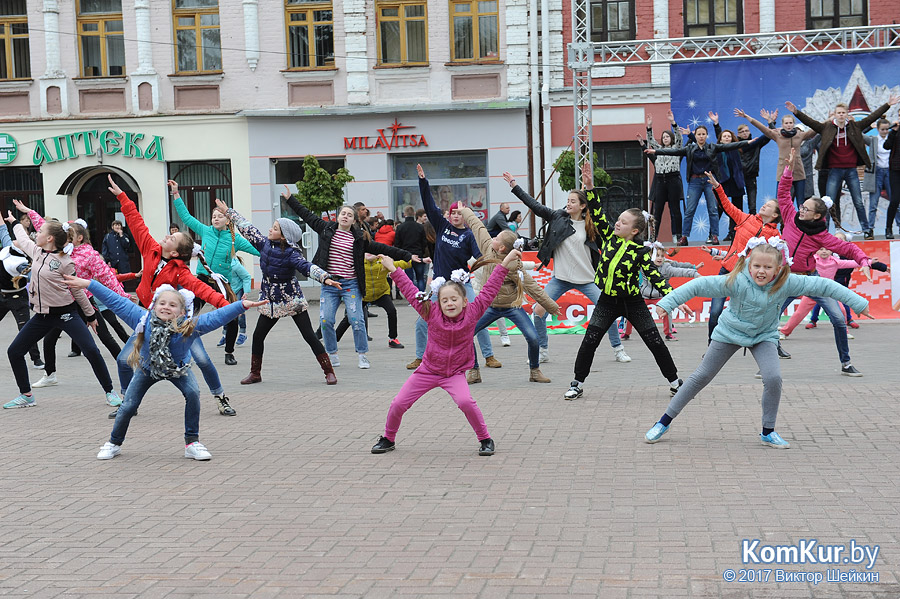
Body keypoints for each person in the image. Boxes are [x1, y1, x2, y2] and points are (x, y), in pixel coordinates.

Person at [644, 238, 869, 449]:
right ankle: (663, 422)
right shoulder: (736, 281)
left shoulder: (787, 282)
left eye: (767, 267)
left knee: (773, 378)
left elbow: (825, 286)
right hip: (730, 333)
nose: (761, 271)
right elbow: (699, 285)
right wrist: (668, 302)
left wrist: (858, 303)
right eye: (757, 266)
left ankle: (768, 431)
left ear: (779, 269)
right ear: (749, 265)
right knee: (701, 376)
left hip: (763, 336)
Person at [70, 278, 267, 461]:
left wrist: (242, 305)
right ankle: (114, 442)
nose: (166, 307)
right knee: (128, 405)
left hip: (178, 369)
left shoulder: (189, 327)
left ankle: (192, 443)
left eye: (173, 305)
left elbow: (215, 317)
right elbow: (116, 301)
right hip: (147, 368)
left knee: (193, 393)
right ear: (154, 305)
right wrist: (89, 284)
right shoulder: (142, 319)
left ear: (182, 312)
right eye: (162, 303)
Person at [107, 175, 237, 419]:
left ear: (175, 251)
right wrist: (122, 197)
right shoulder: (151, 249)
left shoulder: (181, 272)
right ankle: (127, 403)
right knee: (124, 361)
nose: (166, 237)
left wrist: (229, 306)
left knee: (203, 360)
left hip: (177, 324)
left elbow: (203, 290)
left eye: (171, 239)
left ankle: (220, 398)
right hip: (148, 318)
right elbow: (136, 222)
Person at [370, 250, 522, 457]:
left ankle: (485, 439)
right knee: (398, 403)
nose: (450, 303)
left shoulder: (473, 312)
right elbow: (409, 289)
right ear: (438, 303)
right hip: (428, 370)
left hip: (455, 373)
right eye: (445, 301)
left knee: (466, 402)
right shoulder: (430, 312)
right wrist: (394, 269)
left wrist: (505, 263)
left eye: (454, 299)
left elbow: (490, 289)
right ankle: (388, 438)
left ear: (465, 300)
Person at [564, 164, 682, 401]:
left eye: (624, 222)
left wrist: (676, 298)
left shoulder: (640, 251)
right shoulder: (608, 236)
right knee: (590, 341)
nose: (617, 223)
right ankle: (577, 383)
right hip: (607, 301)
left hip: (633, 303)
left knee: (655, 342)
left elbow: (655, 277)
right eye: (618, 219)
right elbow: (596, 211)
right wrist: (589, 187)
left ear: (635, 230)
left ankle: (676, 382)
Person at [504, 171, 631, 364]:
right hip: (560, 278)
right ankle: (543, 350)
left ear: (582, 205)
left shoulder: (592, 225)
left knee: (607, 311)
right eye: (568, 200)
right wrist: (514, 186)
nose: (569, 203)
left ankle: (618, 349)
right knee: (538, 311)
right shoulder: (557, 217)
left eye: (573, 201)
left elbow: (601, 217)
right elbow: (535, 205)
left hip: (587, 279)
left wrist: (589, 187)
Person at [283, 187, 412, 369]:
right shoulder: (326, 229)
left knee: (357, 320)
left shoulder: (358, 238)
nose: (345, 216)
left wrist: (407, 255)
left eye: (349, 215)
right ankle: (332, 353)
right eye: (343, 213)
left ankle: (362, 354)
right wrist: (290, 199)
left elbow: (382, 248)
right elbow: (307, 215)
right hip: (330, 283)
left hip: (351, 284)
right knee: (326, 320)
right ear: (338, 217)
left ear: (353, 220)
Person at [3, 210, 121, 410]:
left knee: (91, 349)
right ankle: (26, 395)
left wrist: (90, 315)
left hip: (67, 314)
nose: (36, 234)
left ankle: (110, 392)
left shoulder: (66, 263)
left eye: (40, 232)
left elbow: (78, 291)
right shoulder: (36, 251)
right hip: (42, 316)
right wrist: (14, 221)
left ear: (49, 238)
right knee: (14, 351)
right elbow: (22, 238)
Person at [216, 200, 342, 386]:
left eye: (274, 228)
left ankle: (329, 372)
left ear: (283, 236)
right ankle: (255, 373)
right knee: (258, 335)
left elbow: (306, 267)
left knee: (309, 335)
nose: (270, 229)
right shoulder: (263, 244)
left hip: (291, 298)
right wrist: (229, 212)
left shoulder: (292, 253)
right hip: (270, 299)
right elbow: (246, 227)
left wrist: (325, 277)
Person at [776, 152, 873, 375]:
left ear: (818, 216)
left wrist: (864, 260)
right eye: (802, 205)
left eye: (806, 209)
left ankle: (846, 363)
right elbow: (783, 194)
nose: (801, 209)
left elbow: (848, 248)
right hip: (786, 277)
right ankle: (770, 355)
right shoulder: (791, 216)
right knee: (769, 319)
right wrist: (788, 170)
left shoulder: (822, 236)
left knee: (839, 319)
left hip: (811, 279)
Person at [409, 165, 498, 382]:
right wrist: (423, 181)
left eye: (460, 213)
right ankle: (420, 357)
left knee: (476, 315)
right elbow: (429, 205)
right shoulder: (441, 227)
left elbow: (479, 257)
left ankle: (489, 355)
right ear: (448, 214)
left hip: (461, 283)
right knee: (422, 321)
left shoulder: (468, 235)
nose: (456, 216)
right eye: (453, 213)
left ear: (465, 216)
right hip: (440, 285)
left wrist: (493, 259)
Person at [460, 206, 559, 383]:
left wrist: (551, 306)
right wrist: (465, 211)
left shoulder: (514, 265)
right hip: (489, 307)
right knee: (466, 333)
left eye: (496, 238)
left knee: (533, 338)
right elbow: (478, 226)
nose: (493, 238)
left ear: (503, 247)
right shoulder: (487, 247)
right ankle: (473, 370)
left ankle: (535, 371)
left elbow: (532, 287)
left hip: (512, 307)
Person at [171, 180, 260, 366]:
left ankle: (229, 352)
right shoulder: (206, 231)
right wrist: (176, 194)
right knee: (188, 315)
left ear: (228, 220)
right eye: (214, 216)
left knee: (232, 316)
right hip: (202, 279)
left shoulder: (235, 240)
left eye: (220, 216)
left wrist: (278, 252)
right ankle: (179, 351)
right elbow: (186, 218)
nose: (216, 218)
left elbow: (258, 250)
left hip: (222, 283)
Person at [787, 95, 900, 238]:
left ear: (847, 114)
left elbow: (872, 117)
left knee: (858, 202)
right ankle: (824, 231)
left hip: (851, 170)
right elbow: (811, 122)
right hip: (834, 171)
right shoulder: (827, 127)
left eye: (843, 113)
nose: (841, 115)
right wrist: (796, 112)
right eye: (838, 113)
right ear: (835, 114)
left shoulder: (854, 126)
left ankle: (867, 230)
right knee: (828, 202)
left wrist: (888, 104)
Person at [701, 170, 782, 345]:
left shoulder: (775, 237)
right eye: (765, 204)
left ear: (775, 215)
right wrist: (717, 187)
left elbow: (776, 261)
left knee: (754, 313)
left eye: (768, 206)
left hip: (748, 278)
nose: (764, 206)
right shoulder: (746, 219)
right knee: (715, 312)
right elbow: (728, 206)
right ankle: (711, 346)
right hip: (726, 272)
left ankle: (771, 345)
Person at [645, 124, 749, 245]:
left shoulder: (712, 147)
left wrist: (747, 142)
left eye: (703, 134)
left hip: (709, 180)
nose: (701, 136)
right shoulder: (690, 149)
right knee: (690, 210)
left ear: (706, 135)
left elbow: (732, 145)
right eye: (699, 134)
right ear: (696, 136)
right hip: (695, 182)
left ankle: (714, 235)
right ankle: (684, 237)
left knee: (713, 209)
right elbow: (675, 151)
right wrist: (656, 151)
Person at [779, 245, 875, 338]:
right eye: (821, 249)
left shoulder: (836, 262)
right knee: (799, 313)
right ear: (816, 251)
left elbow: (853, 263)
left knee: (841, 311)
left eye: (826, 249)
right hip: (812, 292)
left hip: (830, 293)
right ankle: (784, 332)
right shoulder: (812, 261)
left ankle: (844, 333)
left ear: (831, 251)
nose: (824, 251)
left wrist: (869, 262)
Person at [336, 253, 417, 349]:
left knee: (392, 311)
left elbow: (401, 264)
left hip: (381, 294)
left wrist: (415, 259)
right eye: (367, 252)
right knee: (350, 317)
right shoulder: (358, 263)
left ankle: (392, 339)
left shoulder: (383, 262)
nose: (369, 254)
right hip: (364, 296)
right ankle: (333, 339)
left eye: (372, 252)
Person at [620, 244, 701, 341]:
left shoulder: (667, 268)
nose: (660, 258)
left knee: (668, 310)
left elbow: (680, 271)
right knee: (630, 310)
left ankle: (668, 334)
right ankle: (626, 333)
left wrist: (695, 274)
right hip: (643, 296)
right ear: (650, 256)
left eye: (662, 256)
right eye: (657, 255)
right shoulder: (644, 265)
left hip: (660, 297)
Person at [735, 107, 813, 207]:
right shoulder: (777, 135)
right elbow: (761, 127)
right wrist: (746, 116)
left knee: (801, 202)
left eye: (790, 123)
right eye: (786, 123)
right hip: (783, 173)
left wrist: (831, 120)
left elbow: (816, 128)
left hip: (798, 172)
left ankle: (801, 222)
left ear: (793, 124)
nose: (788, 125)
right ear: (782, 124)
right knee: (780, 202)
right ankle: (782, 222)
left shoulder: (800, 135)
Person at [0, 217, 43, 370]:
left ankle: (36, 360)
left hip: (18, 298)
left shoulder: (19, 262)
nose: (15, 240)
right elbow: (3, 230)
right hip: (2, 296)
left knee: (25, 328)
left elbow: (30, 274)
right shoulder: (8, 248)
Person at [641, 110, 684, 243]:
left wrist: (673, 122)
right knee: (657, 211)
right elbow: (650, 140)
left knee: (675, 209)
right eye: (663, 137)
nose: (665, 138)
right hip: (660, 181)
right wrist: (649, 126)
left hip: (673, 180)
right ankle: (653, 237)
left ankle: (678, 235)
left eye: (667, 136)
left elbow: (680, 137)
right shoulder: (657, 149)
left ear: (671, 138)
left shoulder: (676, 148)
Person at [863, 119, 893, 235]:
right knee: (873, 203)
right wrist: (870, 127)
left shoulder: (892, 139)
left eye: (887, 129)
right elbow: (859, 134)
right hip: (877, 172)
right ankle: (870, 229)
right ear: (878, 129)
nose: (885, 131)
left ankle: (896, 226)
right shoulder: (873, 140)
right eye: (882, 129)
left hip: (890, 172)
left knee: (895, 202)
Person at [218, 257, 250, 348]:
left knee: (239, 312)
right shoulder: (219, 265)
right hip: (227, 291)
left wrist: (246, 292)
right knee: (225, 312)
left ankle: (242, 333)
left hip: (237, 290)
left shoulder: (235, 265)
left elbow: (247, 277)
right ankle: (225, 334)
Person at [394, 205, 428, 291]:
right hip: (418, 254)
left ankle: (413, 298)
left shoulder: (400, 227)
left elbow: (397, 243)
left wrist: (400, 255)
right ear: (414, 213)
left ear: (404, 214)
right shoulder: (420, 227)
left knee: (410, 279)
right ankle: (421, 296)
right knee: (420, 277)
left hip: (406, 255)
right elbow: (424, 242)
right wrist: (422, 252)